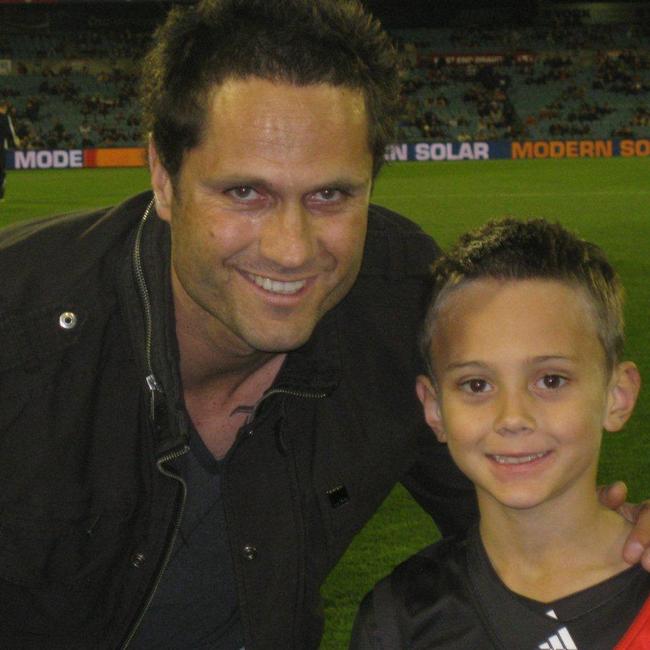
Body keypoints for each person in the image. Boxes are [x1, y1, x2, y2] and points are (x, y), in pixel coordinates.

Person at [0, 2, 648, 648]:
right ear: (164, 178)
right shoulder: (20, 328)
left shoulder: (400, 303)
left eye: (330, 196)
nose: (291, 248)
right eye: (245, 193)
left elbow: (519, 506)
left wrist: (623, 542)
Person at [350, 218, 649, 649]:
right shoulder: (400, 618)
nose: (512, 417)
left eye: (551, 380)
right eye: (476, 385)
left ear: (617, 396)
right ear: (434, 409)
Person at [0, 100, 20, 201]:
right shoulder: (5, 118)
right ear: (5, 108)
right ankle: (0, 195)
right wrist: (16, 142)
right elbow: (10, 132)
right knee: (1, 171)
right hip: (1, 148)